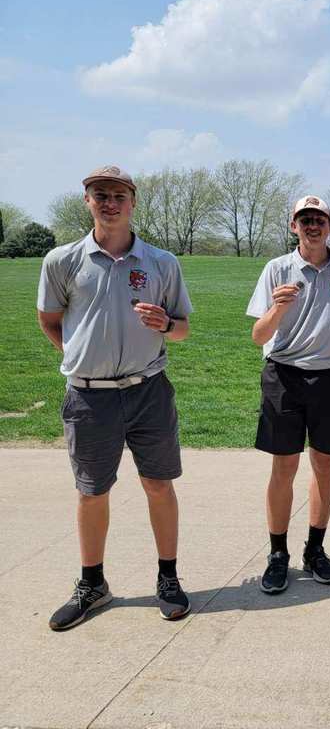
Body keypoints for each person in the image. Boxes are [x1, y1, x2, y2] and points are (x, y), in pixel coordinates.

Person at [38, 165, 193, 630]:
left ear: (133, 202)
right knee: (92, 491)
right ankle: (93, 585)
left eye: (119, 195)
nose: (110, 202)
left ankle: (168, 577)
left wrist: (164, 324)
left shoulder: (161, 262)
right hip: (90, 398)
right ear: (87, 201)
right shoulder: (62, 261)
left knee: (159, 484)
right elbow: (50, 320)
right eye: (100, 194)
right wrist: (84, 356)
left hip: (148, 390)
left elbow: (183, 328)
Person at [246, 195, 330, 593]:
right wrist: (277, 309)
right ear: (293, 226)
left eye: (319, 219)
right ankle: (279, 554)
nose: (312, 225)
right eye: (304, 219)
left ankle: (315, 548)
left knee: (325, 465)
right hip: (284, 375)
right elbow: (258, 335)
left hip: (329, 377)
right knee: (284, 467)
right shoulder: (277, 268)